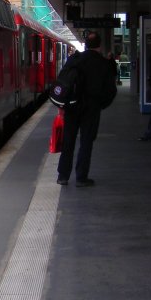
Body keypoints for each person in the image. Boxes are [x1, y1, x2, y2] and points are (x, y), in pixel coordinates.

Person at [56, 32, 117, 187]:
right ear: (100, 45)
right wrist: (100, 105)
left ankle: (63, 176)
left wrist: (62, 106)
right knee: (86, 142)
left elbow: (62, 82)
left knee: (68, 141)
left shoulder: (75, 60)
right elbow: (111, 90)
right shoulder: (103, 63)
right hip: (91, 108)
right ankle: (81, 177)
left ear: (85, 44)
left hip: (72, 107)